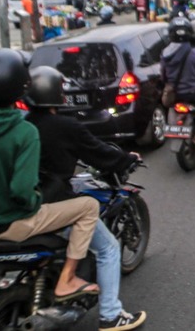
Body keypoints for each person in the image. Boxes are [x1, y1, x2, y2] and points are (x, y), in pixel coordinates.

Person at [0, 49, 101, 302]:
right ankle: (67, 279)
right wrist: (38, 200)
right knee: (89, 206)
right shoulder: (24, 131)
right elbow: (22, 192)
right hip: (10, 224)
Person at [24, 66, 147, 330]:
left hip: (21, 204)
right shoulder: (64, 126)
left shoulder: (23, 124)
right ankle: (111, 314)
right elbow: (98, 153)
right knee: (108, 248)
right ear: (58, 94)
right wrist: (126, 159)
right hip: (51, 204)